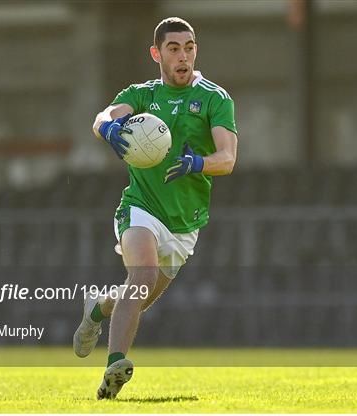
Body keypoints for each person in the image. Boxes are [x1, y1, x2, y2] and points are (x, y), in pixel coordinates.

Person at [73, 16, 238, 400]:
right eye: (174, 48)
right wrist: (110, 128)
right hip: (141, 208)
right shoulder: (144, 95)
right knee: (142, 277)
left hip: (185, 223)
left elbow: (227, 158)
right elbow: (102, 117)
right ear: (156, 54)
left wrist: (198, 163)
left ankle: (97, 309)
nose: (183, 56)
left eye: (190, 47)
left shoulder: (215, 98)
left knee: (137, 295)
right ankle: (115, 366)